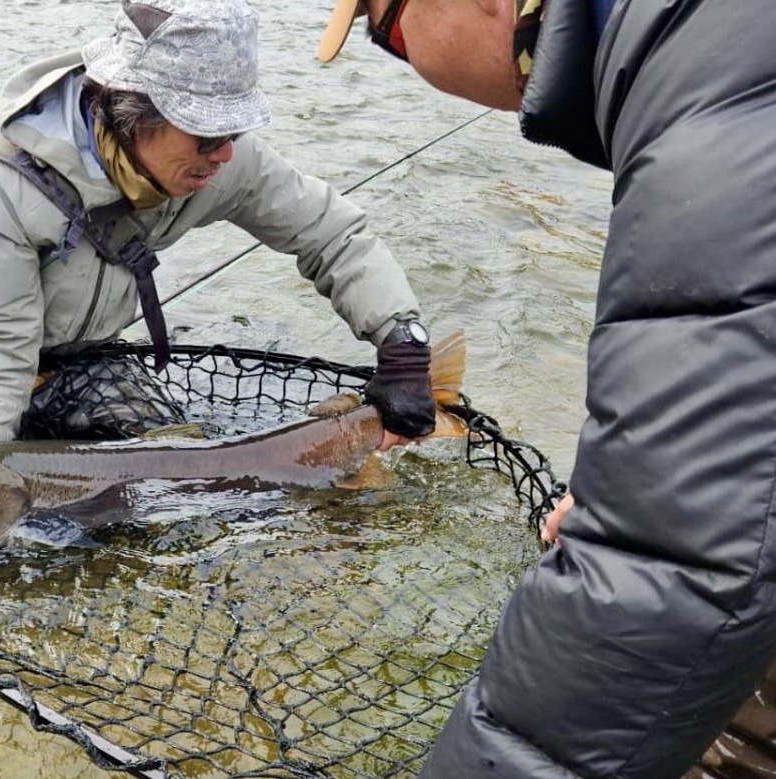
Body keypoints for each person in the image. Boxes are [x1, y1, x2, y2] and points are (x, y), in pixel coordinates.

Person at [319, 1, 776, 778]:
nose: (408, 65)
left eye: (387, 36)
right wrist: (633, 491)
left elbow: (676, 570)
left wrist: (646, 517)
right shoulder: (707, 50)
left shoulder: (711, 106)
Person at [0, 0, 436, 451]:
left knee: (170, 468)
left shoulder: (222, 160)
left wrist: (402, 341)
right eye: (206, 134)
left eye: (234, 128)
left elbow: (330, 233)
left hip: (77, 351)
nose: (225, 153)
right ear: (133, 113)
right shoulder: (6, 189)